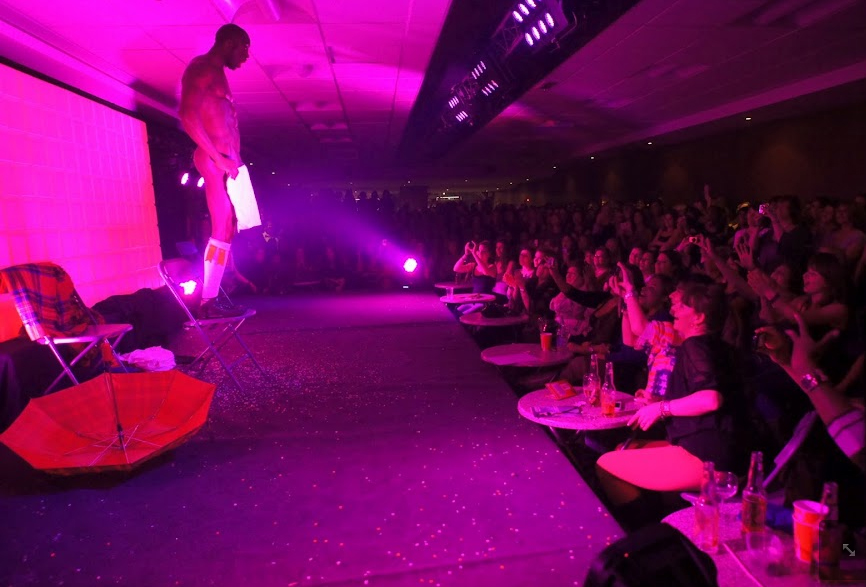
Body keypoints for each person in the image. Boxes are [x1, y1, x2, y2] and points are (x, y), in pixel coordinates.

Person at [179, 24, 251, 318]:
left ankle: (215, 293)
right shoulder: (202, 68)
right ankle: (207, 302)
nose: (246, 56)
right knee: (221, 228)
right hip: (216, 160)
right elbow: (187, 115)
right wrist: (218, 159)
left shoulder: (218, 73)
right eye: (244, 48)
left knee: (229, 227)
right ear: (230, 43)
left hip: (228, 161)